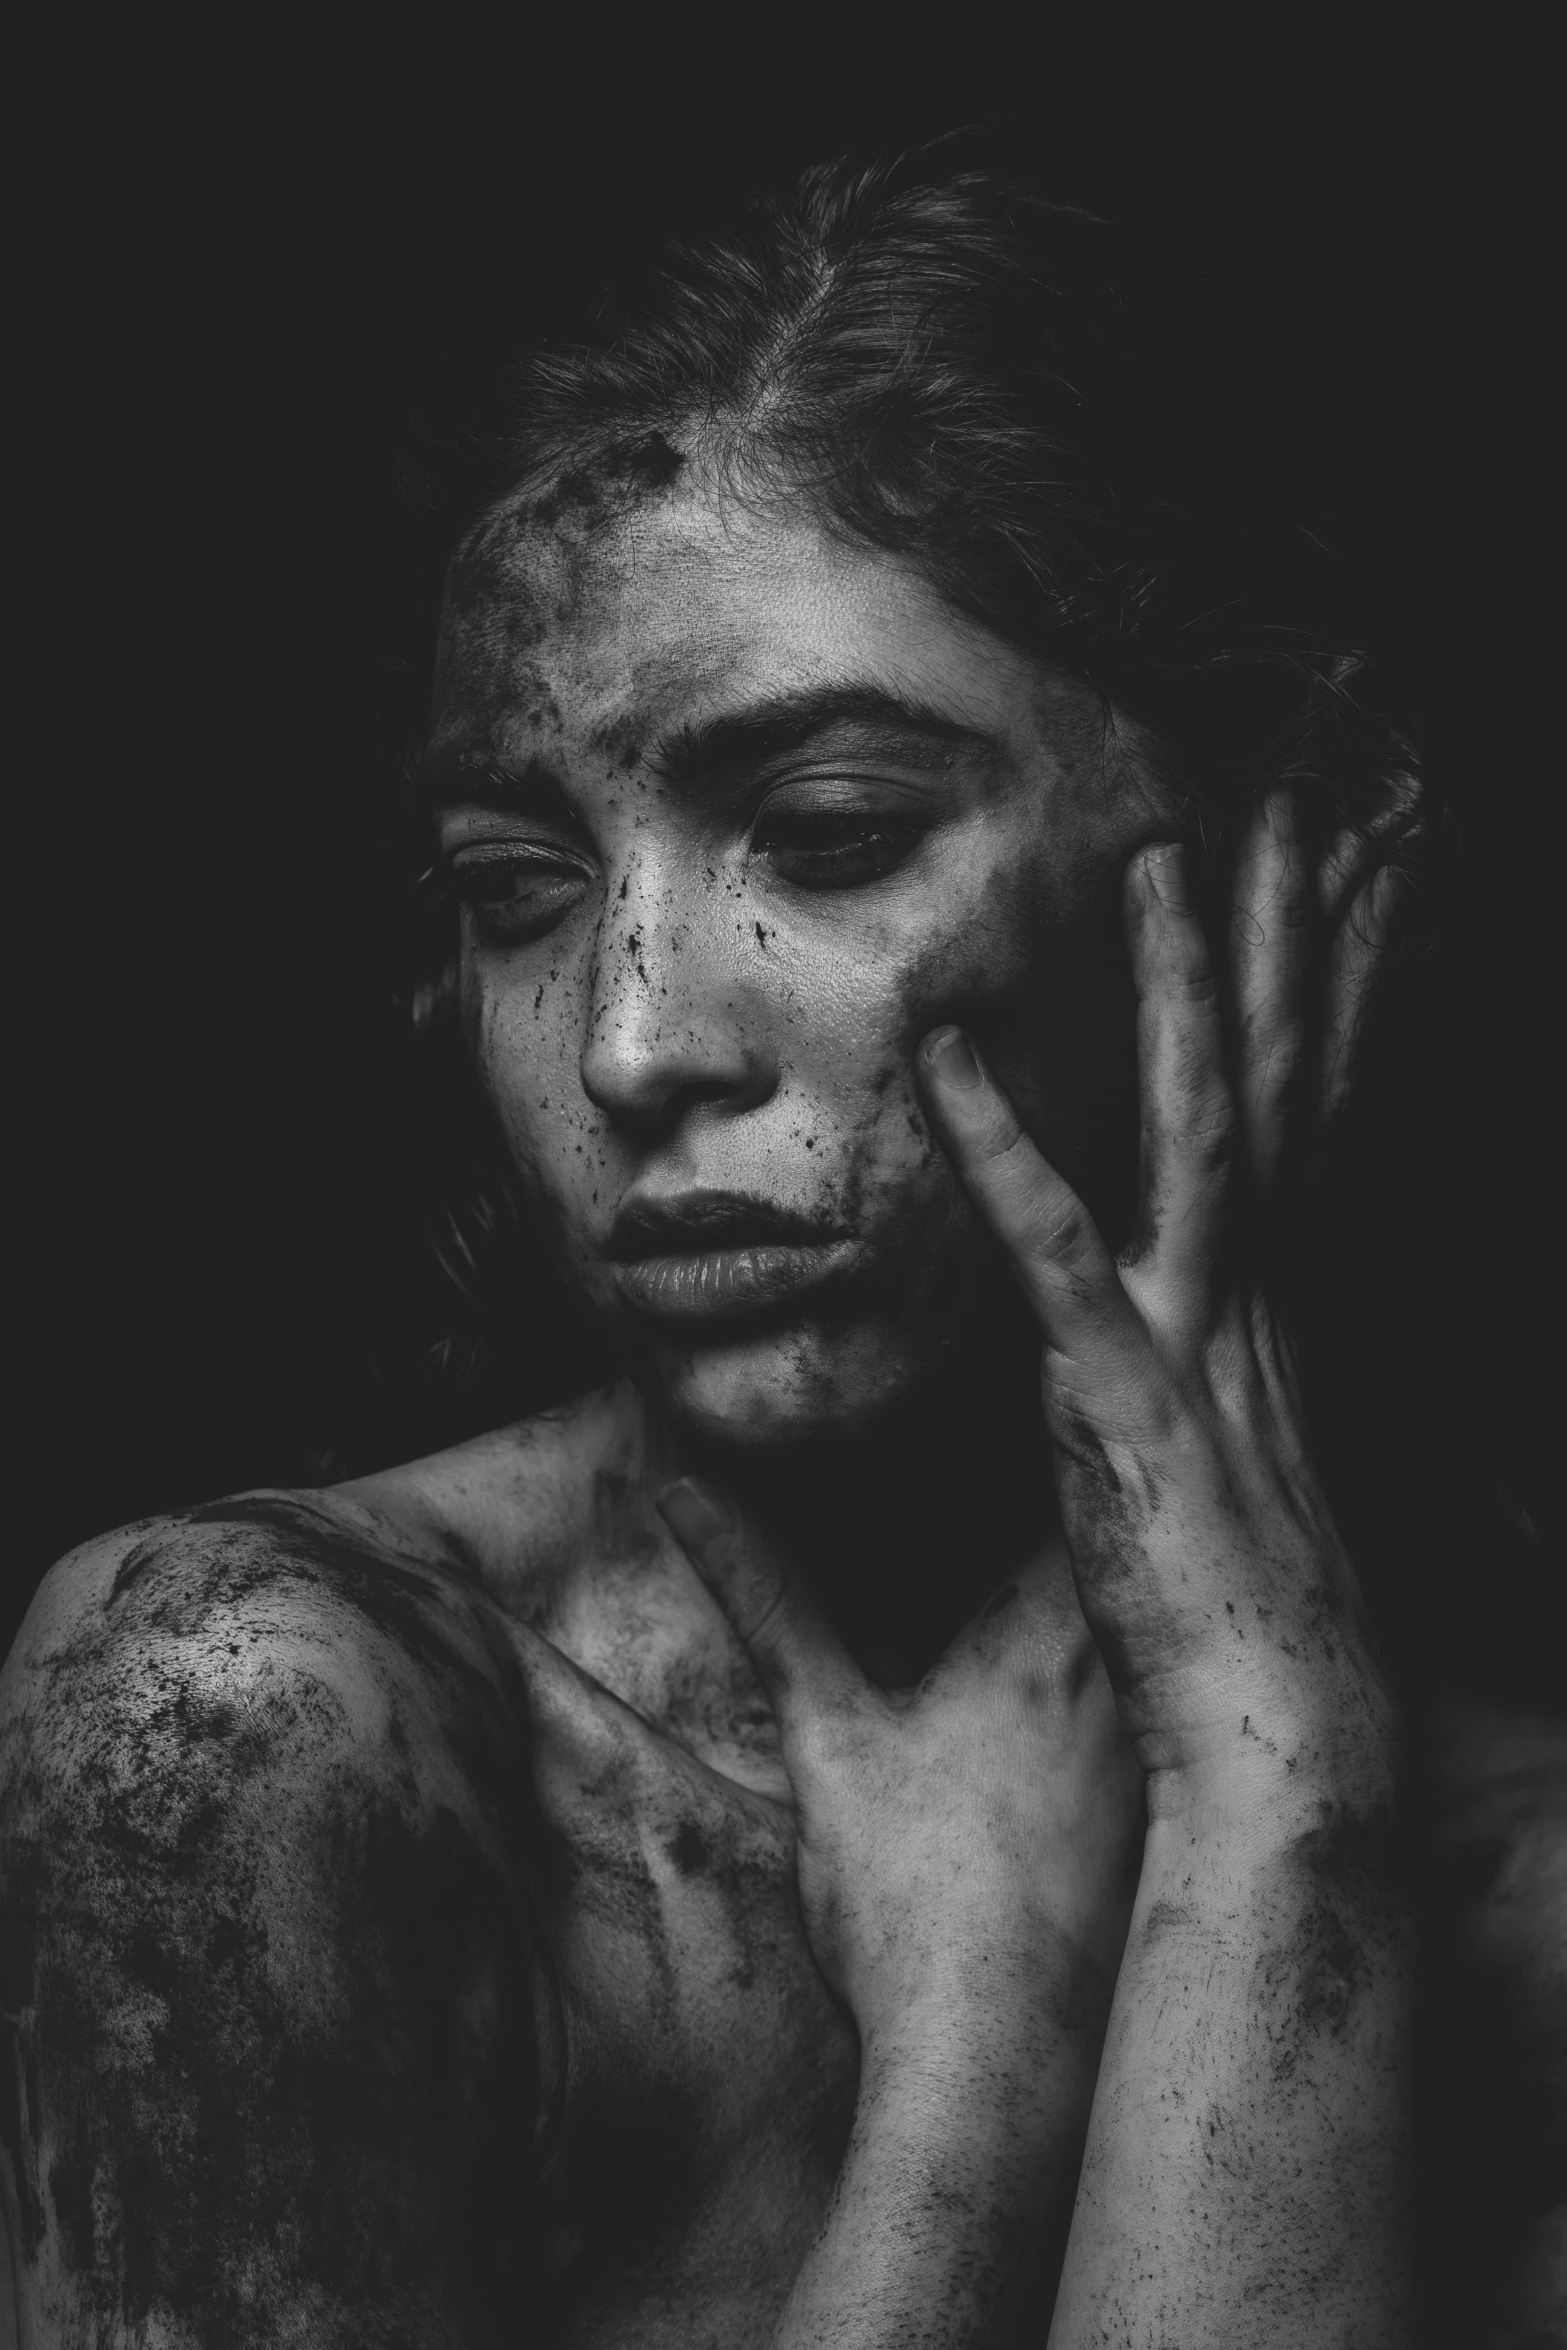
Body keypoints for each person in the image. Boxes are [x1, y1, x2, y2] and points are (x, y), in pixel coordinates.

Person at [1, 155, 1560, 2349]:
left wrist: (1279, 1770)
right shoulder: (256, 1723)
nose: (632, 1040)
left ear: (1270, 859)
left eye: (828, 837)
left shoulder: (1521, 1889)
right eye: (517, 885)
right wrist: (973, 2092)